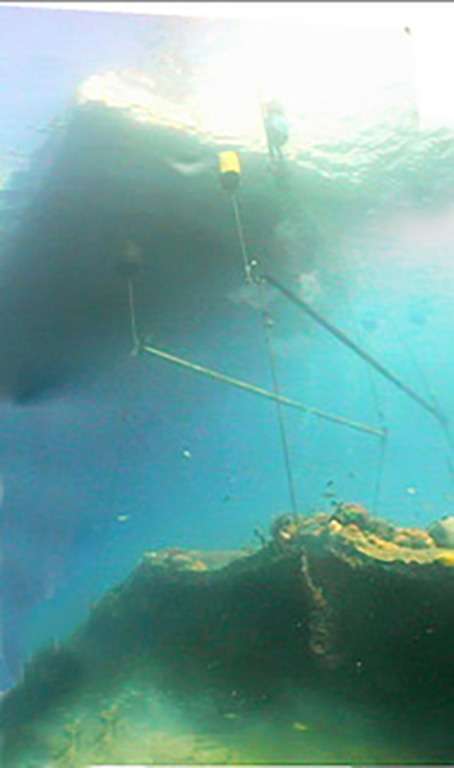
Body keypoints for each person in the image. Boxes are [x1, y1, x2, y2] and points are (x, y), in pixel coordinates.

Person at [263, 100, 289, 164]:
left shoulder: (275, 118)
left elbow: (274, 126)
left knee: (273, 145)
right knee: (275, 146)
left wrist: (267, 123)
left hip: (278, 135)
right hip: (280, 135)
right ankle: (278, 157)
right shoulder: (278, 117)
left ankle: (274, 158)